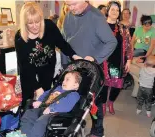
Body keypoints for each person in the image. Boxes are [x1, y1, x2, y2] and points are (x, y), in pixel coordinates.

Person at [63, 1, 117, 137]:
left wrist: (95, 58)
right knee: (73, 100)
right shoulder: (69, 16)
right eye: (67, 4)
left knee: (94, 103)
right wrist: (65, 67)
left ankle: (98, 131)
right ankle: (76, 125)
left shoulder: (96, 17)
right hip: (73, 66)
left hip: (91, 69)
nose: (70, 8)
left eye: (73, 4)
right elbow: (65, 42)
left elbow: (112, 42)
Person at [15, 2, 82, 108]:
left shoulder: (49, 26)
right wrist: (37, 87)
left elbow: (62, 43)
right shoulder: (20, 38)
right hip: (28, 71)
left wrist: (73, 55)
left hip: (47, 67)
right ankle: (25, 119)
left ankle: (42, 120)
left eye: (37, 22)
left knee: (45, 98)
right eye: (30, 23)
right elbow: (25, 66)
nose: (35, 26)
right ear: (24, 23)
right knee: (28, 100)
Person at [20, 71, 82, 137]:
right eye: (64, 79)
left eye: (67, 80)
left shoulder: (74, 95)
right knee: (29, 113)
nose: (63, 81)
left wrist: (52, 108)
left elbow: (66, 106)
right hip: (44, 108)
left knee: (41, 121)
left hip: (56, 114)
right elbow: (46, 94)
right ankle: (24, 135)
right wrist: (40, 101)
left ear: (75, 85)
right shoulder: (58, 88)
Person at [101, 1, 132, 116]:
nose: (115, 12)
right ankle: (103, 104)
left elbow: (129, 45)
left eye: (117, 10)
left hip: (118, 61)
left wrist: (129, 60)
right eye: (112, 9)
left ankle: (111, 102)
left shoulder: (123, 28)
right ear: (108, 11)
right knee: (104, 85)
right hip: (103, 61)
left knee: (117, 85)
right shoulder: (101, 26)